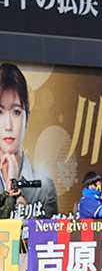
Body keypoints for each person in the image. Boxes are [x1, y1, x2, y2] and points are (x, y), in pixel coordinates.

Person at [0, 63, 58, 219]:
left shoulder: (45, 188)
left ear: (27, 118)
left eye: (16, 112)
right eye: (0, 112)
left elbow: (47, 240)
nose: (8, 125)